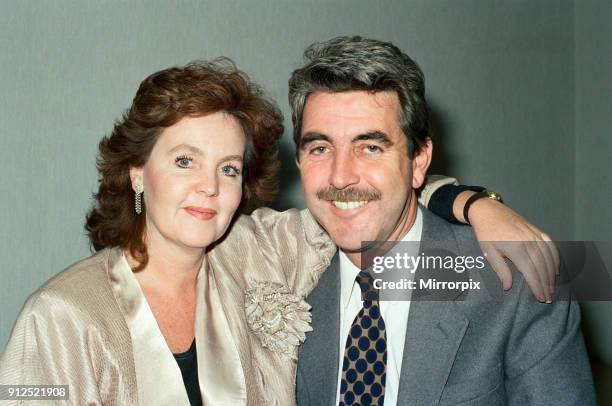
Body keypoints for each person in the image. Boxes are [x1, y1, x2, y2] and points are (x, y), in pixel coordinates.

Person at [0, 58, 563, 405]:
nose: (210, 189)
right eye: (183, 161)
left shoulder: (261, 254)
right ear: (136, 170)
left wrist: (472, 202)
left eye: (227, 168)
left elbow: (362, 200)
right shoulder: (60, 317)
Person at [292, 36, 595, 405]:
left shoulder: (517, 286)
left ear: (419, 161)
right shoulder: (280, 278)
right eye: (320, 148)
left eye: (370, 147)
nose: (340, 177)